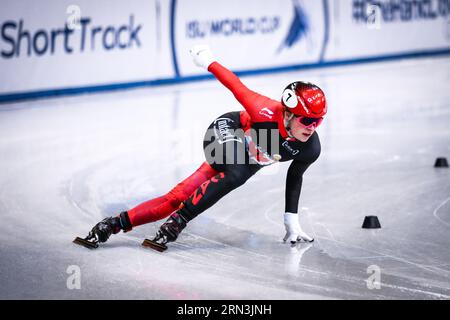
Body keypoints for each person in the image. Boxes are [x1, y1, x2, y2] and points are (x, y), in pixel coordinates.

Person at [76, 45, 327, 250]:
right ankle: (178, 222)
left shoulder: (309, 148)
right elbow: (235, 85)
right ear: (289, 114)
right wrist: (207, 61)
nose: (312, 127)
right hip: (227, 130)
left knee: (175, 198)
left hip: (247, 155)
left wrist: (290, 221)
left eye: (319, 121)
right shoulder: (263, 110)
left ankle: (113, 224)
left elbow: (295, 176)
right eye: (307, 120)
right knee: (237, 172)